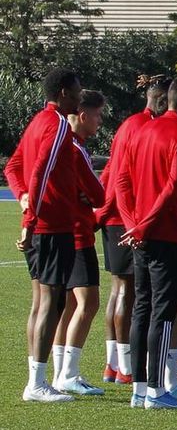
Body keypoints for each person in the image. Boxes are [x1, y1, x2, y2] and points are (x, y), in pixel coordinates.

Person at [115, 73, 177, 410]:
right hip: (166, 233)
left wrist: (132, 222)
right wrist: (144, 224)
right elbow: (175, 186)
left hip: (141, 233)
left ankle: (140, 389)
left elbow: (120, 179)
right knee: (163, 314)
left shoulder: (142, 130)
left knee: (142, 308)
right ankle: (156, 390)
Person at [7, 68, 89, 403]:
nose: (81, 96)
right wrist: (30, 214)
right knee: (50, 303)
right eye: (77, 91)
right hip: (51, 227)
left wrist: (23, 196)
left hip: (43, 224)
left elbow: (12, 167)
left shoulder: (38, 120)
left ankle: (37, 380)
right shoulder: (56, 124)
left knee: (42, 302)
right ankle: (37, 384)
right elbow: (39, 170)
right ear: (65, 92)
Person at [95, 74, 167, 385]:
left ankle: (114, 363)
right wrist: (124, 216)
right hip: (127, 218)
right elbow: (125, 176)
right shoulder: (144, 127)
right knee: (130, 292)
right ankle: (126, 364)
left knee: (119, 289)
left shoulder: (129, 124)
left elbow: (112, 169)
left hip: (117, 215)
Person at [49, 89, 108, 396]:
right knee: (88, 303)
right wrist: (88, 194)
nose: (99, 121)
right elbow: (98, 195)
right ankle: (68, 374)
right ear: (83, 116)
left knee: (69, 304)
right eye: (97, 115)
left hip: (64, 232)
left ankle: (62, 372)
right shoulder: (76, 148)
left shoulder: (64, 144)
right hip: (78, 234)